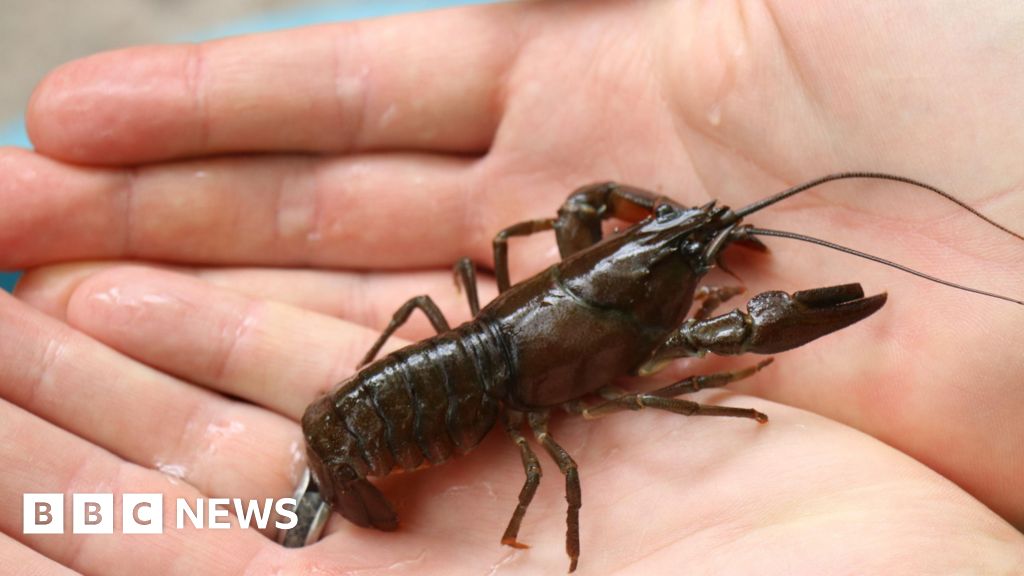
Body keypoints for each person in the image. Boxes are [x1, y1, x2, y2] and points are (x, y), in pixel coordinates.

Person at [1, 2, 1022, 573]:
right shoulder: (648, 344)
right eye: (668, 236)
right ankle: (349, 456)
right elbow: (627, 382)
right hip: (424, 408)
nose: (674, 237)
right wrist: (723, 334)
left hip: (449, 368)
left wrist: (676, 236)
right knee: (608, 428)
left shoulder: (590, 265)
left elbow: (585, 210)